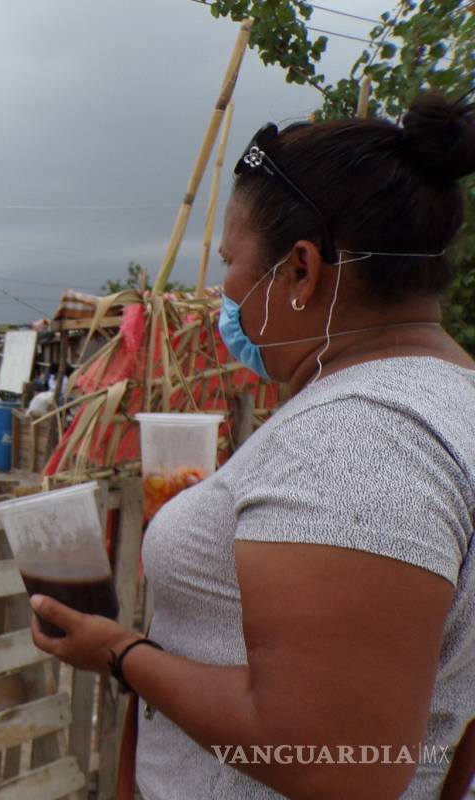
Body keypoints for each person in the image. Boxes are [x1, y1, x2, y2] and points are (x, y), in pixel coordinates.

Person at [30, 93, 475, 799]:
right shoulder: (449, 403)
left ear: (301, 271)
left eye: (232, 262)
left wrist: (119, 654)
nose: (222, 291)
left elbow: (337, 762)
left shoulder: (357, 438)